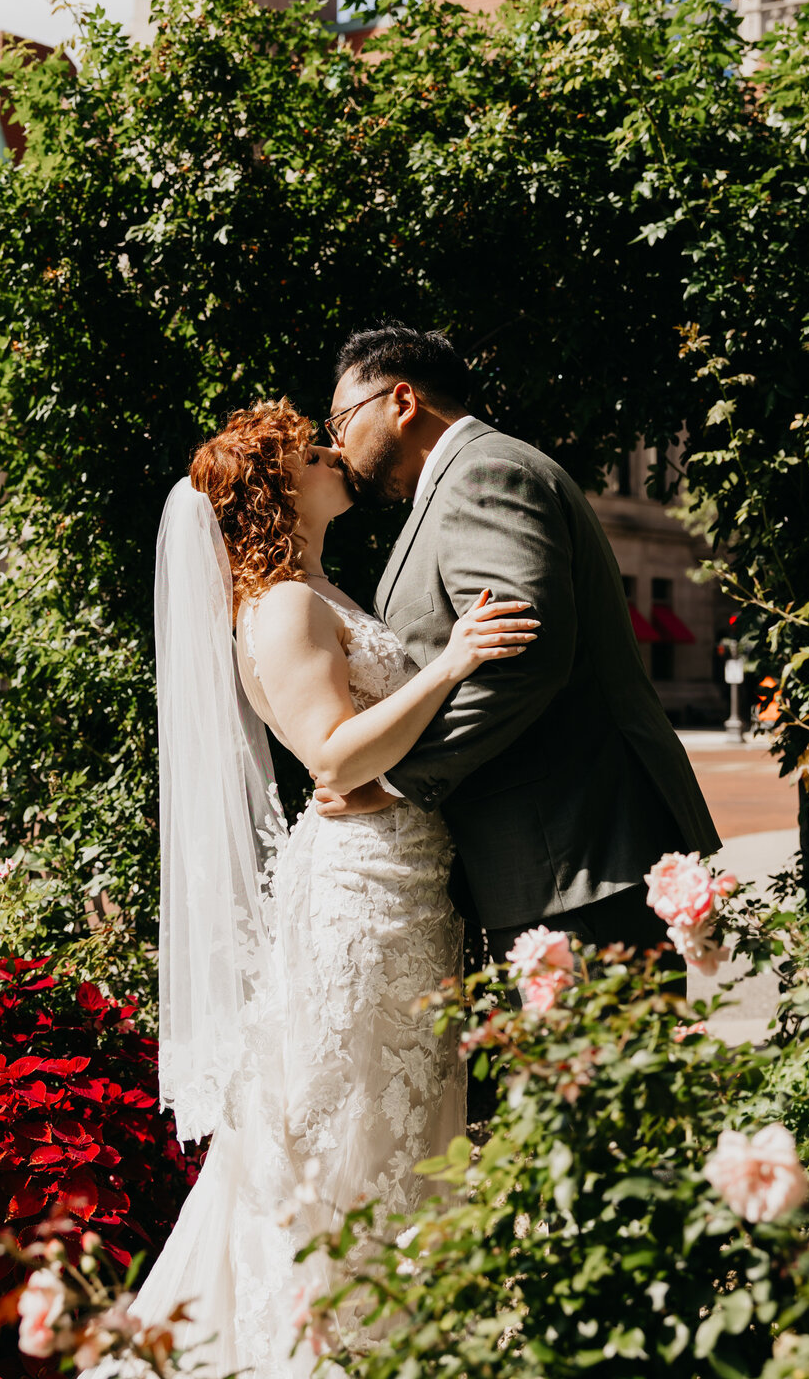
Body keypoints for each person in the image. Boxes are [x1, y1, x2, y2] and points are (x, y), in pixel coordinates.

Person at [134, 399, 534, 1374]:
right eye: (311, 452)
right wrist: (450, 665)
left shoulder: (319, 591)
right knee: (347, 1126)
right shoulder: (284, 608)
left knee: (392, 1119)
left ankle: (397, 1336)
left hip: (400, 878)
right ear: (278, 490)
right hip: (360, 898)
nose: (331, 454)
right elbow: (334, 759)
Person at [314, 324, 721, 964]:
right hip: (551, 862)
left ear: (401, 401)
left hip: (574, 861)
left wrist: (394, 780)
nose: (336, 445)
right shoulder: (465, 481)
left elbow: (519, 663)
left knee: (590, 1066)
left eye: (340, 420)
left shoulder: (485, 475)